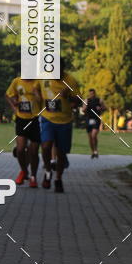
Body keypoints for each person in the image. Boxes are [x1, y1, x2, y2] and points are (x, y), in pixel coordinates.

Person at [39, 58, 81, 193]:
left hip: (64, 121)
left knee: (61, 154)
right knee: (46, 146)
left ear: (63, 68)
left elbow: (79, 101)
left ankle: (58, 179)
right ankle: (47, 172)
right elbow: (35, 91)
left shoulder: (70, 81)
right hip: (47, 118)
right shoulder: (43, 77)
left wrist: (68, 96)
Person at [5, 76, 43, 188]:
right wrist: (14, 106)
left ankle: (33, 176)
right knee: (20, 149)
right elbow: (7, 95)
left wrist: (36, 94)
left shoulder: (38, 82)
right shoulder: (16, 81)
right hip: (21, 119)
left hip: (35, 119)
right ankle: (24, 171)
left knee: (34, 151)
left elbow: (43, 101)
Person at [83, 88, 107, 158]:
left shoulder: (99, 100)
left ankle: (96, 150)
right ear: (89, 94)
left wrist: (101, 108)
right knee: (90, 137)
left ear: (95, 94)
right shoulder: (86, 100)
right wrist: (85, 108)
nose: (91, 95)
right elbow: (83, 109)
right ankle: (93, 151)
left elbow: (105, 108)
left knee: (94, 135)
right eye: (90, 94)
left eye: (93, 94)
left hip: (96, 119)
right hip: (88, 119)